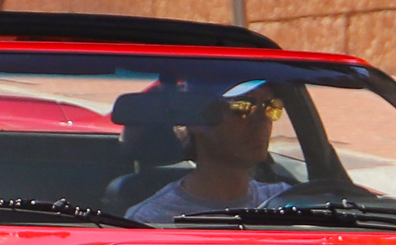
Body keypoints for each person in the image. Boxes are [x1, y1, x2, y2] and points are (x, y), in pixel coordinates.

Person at [125, 80, 295, 224]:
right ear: (197, 121)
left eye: (270, 107)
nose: (261, 121)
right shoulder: (151, 220)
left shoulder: (288, 203)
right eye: (242, 107)